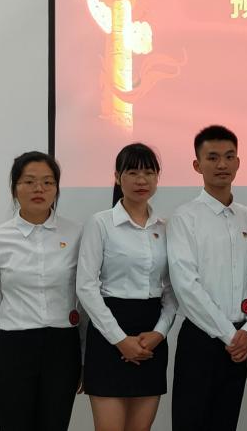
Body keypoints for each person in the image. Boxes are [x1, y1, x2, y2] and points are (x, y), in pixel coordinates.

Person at [0, 152, 82, 431]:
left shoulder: (76, 233)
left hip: (62, 347)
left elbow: (85, 299)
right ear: (14, 188)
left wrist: (85, 358)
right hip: (14, 348)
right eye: (29, 181)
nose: (39, 189)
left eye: (48, 182)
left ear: (56, 188)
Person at [76, 143, 177, 431]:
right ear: (118, 177)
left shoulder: (165, 227)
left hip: (151, 335)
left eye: (149, 172)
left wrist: (160, 333)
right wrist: (120, 339)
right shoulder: (100, 223)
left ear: (158, 177)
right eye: (132, 172)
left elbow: (172, 290)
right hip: (109, 332)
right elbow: (85, 286)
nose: (141, 180)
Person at [168, 126, 247, 431]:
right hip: (201, 338)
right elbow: (186, 285)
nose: (222, 164)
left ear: (238, 162)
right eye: (212, 157)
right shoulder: (184, 217)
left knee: (226, 422)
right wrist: (229, 335)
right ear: (197, 165)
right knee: (190, 422)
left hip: (242, 340)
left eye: (229, 157)